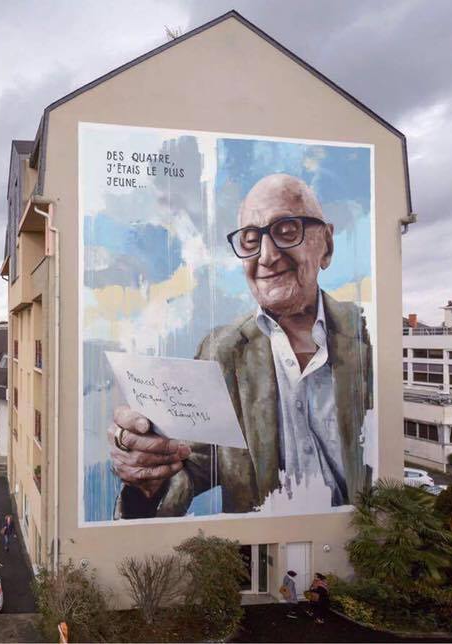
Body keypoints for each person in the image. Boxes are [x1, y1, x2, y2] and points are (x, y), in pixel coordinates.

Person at [108, 173, 373, 518]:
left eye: (287, 230)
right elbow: (189, 468)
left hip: (367, 558)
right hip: (261, 563)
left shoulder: (370, 338)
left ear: (327, 244)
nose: (267, 255)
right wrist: (147, 473)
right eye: (250, 239)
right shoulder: (223, 351)